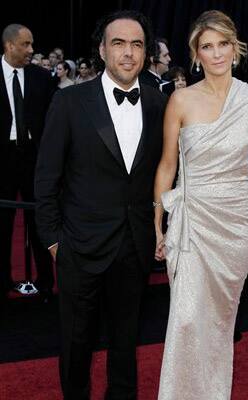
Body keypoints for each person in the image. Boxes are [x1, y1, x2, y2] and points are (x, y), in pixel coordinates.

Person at [35, 10, 166, 400]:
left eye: (137, 44)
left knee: (126, 345)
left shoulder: (160, 105)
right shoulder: (70, 101)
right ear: (102, 50)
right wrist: (56, 243)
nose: (129, 53)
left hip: (134, 244)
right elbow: (46, 179)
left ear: (145, 53)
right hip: (79, 246)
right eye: (119, 43)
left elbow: (167, 172)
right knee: (76, 345)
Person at [153, 10, 248, 400]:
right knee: (187, 319)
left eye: (223, 44)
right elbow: (167, 166)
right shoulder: (181, 100)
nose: (217, 53)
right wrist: (157, 223)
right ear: (196, 54)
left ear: (234, 48)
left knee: (220, 323)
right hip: (191, 223)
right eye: (207, 46)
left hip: (236, 225)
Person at [0, 24, 55, 300]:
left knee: (39, 221)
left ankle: (45, 282)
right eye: (26, 45)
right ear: (10, 46)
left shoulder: (42, 78)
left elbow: (53, 122)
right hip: (3, 160)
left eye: (32, 44)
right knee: (2, 222)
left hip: (35, 157)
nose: (31, 50)